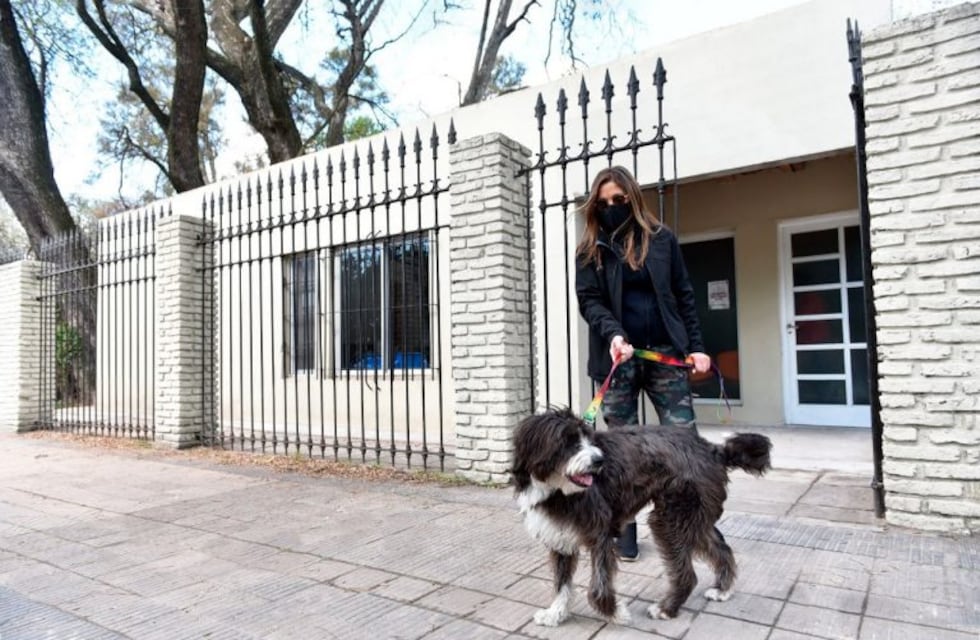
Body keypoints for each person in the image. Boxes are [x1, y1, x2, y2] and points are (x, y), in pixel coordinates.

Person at [575, 165, 711, 561]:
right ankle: (623, 528)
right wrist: (615, 334)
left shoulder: (662, 239)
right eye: (603, 203)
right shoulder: (591, 249)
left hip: (665, 354)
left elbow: (683, 294)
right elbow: (590, 301)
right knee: (620, 451)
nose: (612, 207)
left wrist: (697, 347)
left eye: (619, 200)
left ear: (632, 198)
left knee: (685, 441)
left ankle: (689, 522)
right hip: (617, 358)